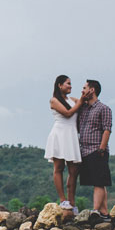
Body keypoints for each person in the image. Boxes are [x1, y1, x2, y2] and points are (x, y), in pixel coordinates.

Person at [44, 75, 87, 215]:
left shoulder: (72, 99)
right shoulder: (54, 100)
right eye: (68, 84)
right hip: (59, 134)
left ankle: (72, 201)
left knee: (74, 170)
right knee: (59, 167)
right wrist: (80, 102)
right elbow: (68, 113)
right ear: (59, 85)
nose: (70, 86)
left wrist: (84, 96)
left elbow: (83, 103)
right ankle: (63, 199)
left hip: (72, 135)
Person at [77, 79, 113, 222]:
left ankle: (96, 210)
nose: (82, 90)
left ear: (92, 90)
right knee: (98, 181)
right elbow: (73, 101)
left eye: (84, 88)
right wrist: (81, 99)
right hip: (84, 150)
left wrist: (101, 149)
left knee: (98, 182)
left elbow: (107, 129)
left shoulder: (104, 108)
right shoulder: (84, 108)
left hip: (97, 149)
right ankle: (104, 213)